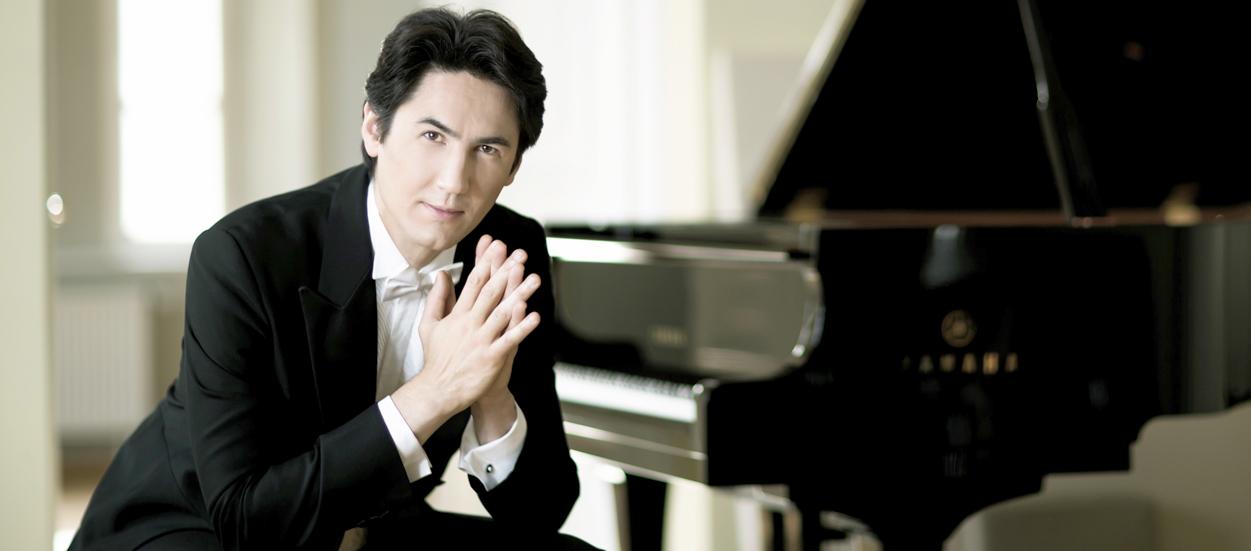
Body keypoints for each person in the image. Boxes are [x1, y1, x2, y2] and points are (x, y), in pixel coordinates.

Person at [71, 8, 594, 550]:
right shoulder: (242, 255)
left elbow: (543, 513)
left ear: (513, 168)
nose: (454, 181)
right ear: (374, 128)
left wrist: (491, 397)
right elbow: (246, 521)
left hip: (370, 527)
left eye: (487, 149)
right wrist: (436, 390)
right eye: (432, 135)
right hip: (196, 524)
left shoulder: (509, 251)